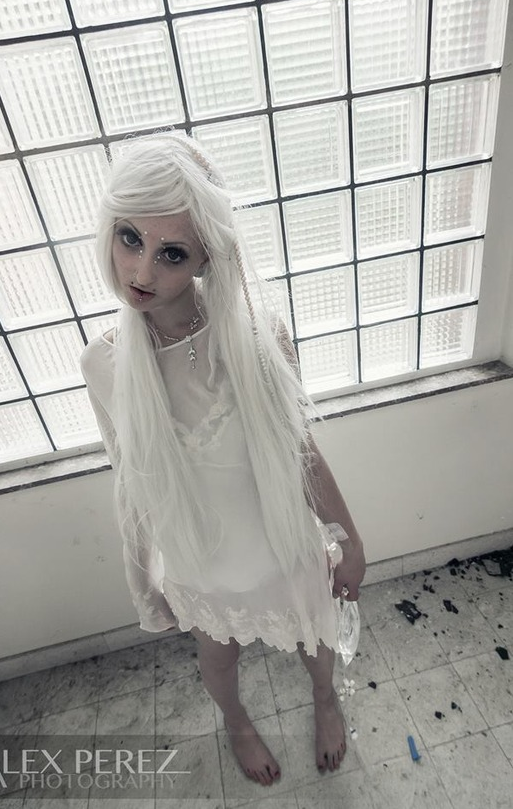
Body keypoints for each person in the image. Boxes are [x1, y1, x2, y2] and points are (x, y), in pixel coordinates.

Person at [80, 131, 366, 787]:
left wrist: (348, 540)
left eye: (171, 252)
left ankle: (325, 699)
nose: (141, 273)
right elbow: (130, 481)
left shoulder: (259, 336)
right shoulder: (103, 364)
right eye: (129, 238)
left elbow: (300, 448)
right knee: (217, 656)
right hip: (200, 558)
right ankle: (235, 721)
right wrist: (144, 581)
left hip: (280, 540)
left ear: (206, 257)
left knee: (316, 636)